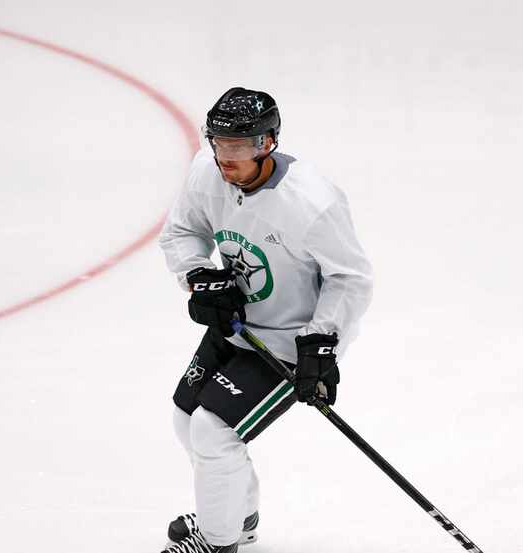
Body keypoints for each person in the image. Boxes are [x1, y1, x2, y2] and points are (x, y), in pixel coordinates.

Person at [157, 87, 373, 553]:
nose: (225, 157)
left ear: (267, 143)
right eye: (218, 143)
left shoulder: (313, 202)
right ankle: (237, 517)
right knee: (185, 418)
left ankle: (218, 543)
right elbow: (181, 231)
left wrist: (321, 341)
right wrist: (199, 277)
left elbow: (350, 279)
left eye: (239, 146)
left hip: (286, 341)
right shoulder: (205, 172)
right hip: (235, 326)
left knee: (213, 433)